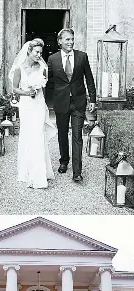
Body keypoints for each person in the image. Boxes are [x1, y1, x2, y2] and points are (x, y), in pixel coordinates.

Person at [47, 28, 96, 181]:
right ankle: (64, 161)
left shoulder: (82, 56)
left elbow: (89, 78)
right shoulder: (52, 59)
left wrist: (92, 99)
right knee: (62, 134)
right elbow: (47, 82)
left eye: (72, 39)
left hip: (78, 102)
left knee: (77, 136)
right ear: (60, 41)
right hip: (61, 102)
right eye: (67, 39)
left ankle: (77, 172)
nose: (71, 42)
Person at [9, 39, 56, 189]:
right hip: (27, 106)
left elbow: (44, 86)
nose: (39, 55)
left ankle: (39, 175)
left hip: (39, 105)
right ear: (28, 51)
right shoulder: (19, 68)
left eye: (40, 53)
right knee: (28, 136)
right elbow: (15, 89)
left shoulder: (42, 67)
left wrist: (38, 87)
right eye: (36, 52)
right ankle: (27, 172)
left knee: (38, 136)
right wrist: (27, 92)